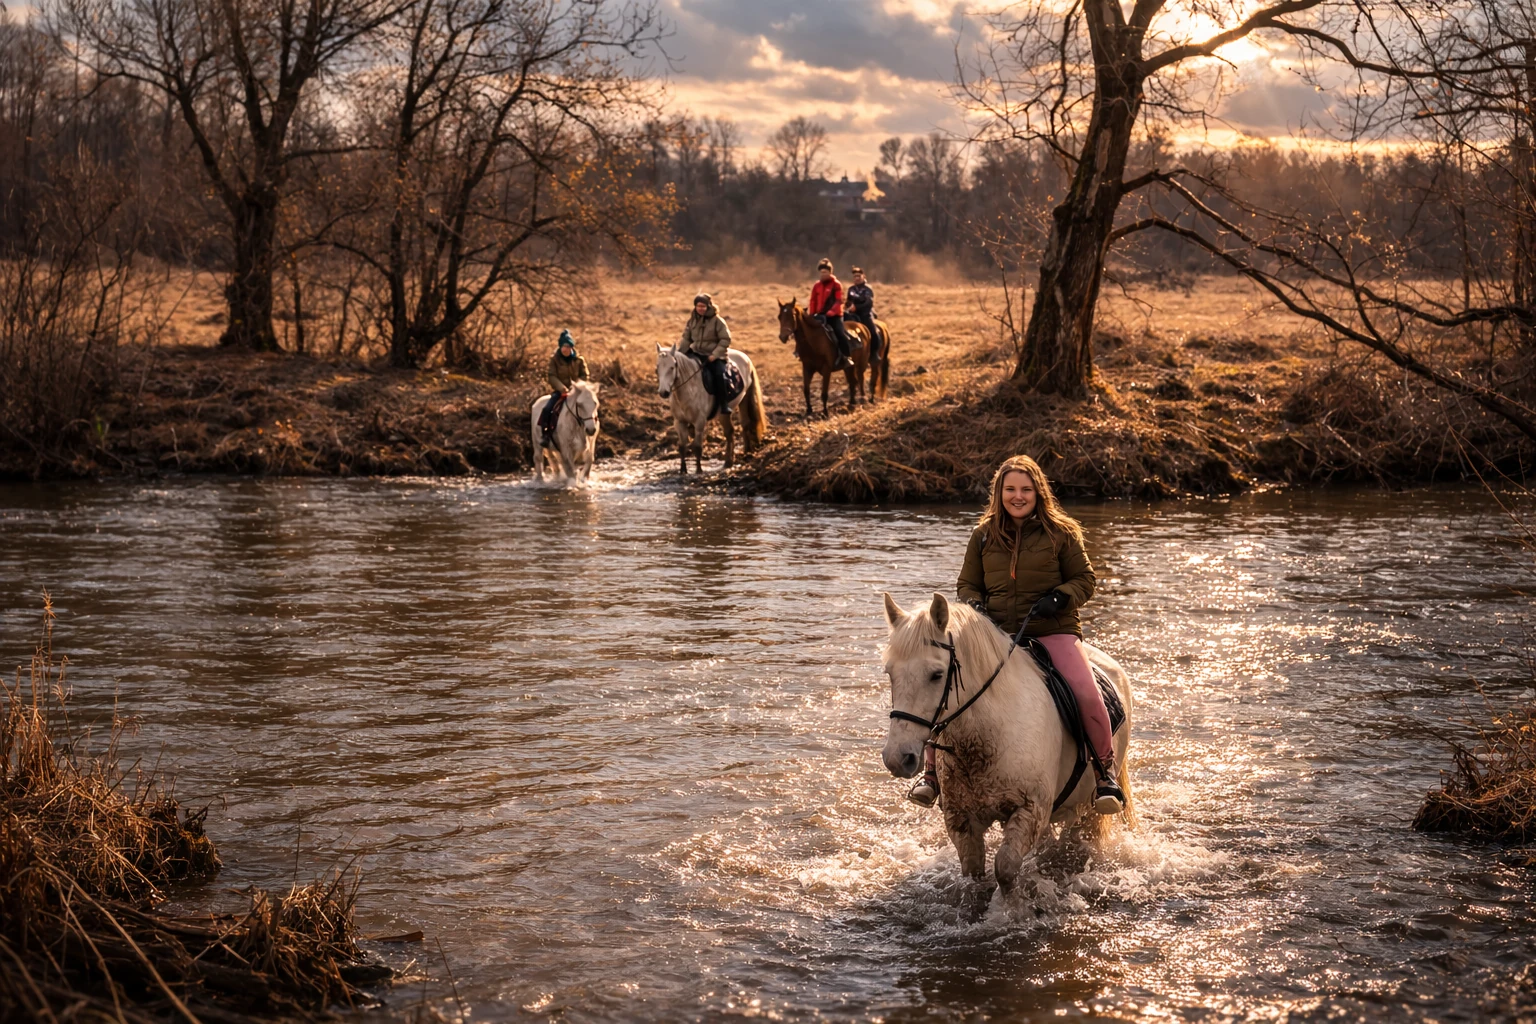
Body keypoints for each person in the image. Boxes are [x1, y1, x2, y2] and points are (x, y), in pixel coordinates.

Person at [907, 454, 1125, 814]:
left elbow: (1085, 580)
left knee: (1086, 692)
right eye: (1010, 489)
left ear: (1038, 492)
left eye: (1025, 489)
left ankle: (1105, 773)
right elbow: (967, 584)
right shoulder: (982, 535)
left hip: (1053, 630)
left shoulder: (1062, 532)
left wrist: (1058, 598)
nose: (1018, 496)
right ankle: (932, 774)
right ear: (999, 492)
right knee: (945, 685)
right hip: (996, 634)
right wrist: (975, 607)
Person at [678, 292, 733, 403]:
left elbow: (725, 339)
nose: (700, 308)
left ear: (708, 306)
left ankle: (723, 404)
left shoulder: (718, 321)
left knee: (719, 374)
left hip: (714, 356)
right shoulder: (692, 321)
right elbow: (686, 338)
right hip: (697, 353)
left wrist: (715, 355)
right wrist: (680, 354)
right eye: (698, 306)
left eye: (703, 306)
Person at [539, 329, 588, 441]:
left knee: (589, 407)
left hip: (577, 392)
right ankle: (546, 435)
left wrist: (577, 387)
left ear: (572, 347)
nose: (566, 349)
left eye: (568, 346)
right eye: (564, 346)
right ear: (560, 347)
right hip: (560, 391)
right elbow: (552, 376)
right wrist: (562, 388)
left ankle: (589, 433)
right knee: (547, 409)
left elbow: (585, 375)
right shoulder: (554, 360)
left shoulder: (579, 360)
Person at [808, 258, 855, 370]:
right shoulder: (817, 286)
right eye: (821, 272)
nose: (823, 274)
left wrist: (831, 312)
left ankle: (846, 356)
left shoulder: (836, 285)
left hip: (835, 316)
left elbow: (839, 301)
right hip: (820, 315)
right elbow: (813, 300)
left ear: (830, 272)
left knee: (839, 333)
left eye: (825, 272)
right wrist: (812, 314)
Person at [845, 266, 876, 346]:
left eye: (859, 276)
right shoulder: (851, 289)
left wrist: (856, 307)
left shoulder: (867, 289)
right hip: (853, 314)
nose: (857, 278)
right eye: (855, 276)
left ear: (863, 276)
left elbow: (868, 303)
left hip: (865, 314)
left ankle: (874, 352)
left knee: (873, 332)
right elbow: (849, 301)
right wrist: (847, 306)